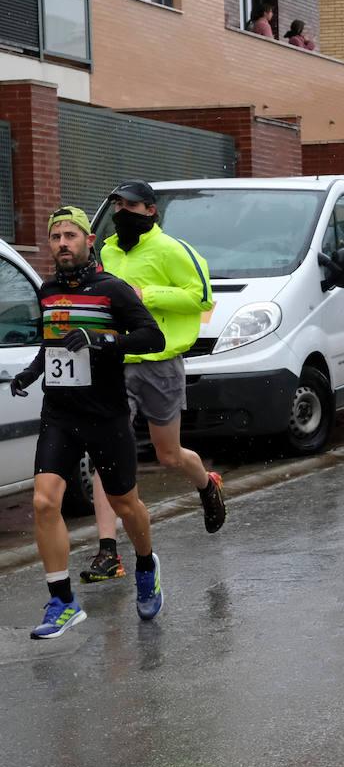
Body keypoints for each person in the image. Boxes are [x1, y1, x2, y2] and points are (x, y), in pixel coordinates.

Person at [13, 207, 166, 638]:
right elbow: (53, 344)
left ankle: (144, 563)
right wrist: (31, 372)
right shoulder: (47, 291)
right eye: (55, 236)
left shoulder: (112, 290)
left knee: (125, 505)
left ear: (89, 241)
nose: (62, 243)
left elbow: (153, 336)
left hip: (106, 414)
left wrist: (101, 340)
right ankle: (62, 601)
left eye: (71, 235)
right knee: (44, 502)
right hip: (60, 414)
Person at [85, 181, 225, 583]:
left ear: (150, 210)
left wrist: (146, 294)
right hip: (114, 361)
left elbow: (200, 297)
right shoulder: (106, 251)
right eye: (118, 205)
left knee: (168, 456)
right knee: (107, 451)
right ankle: (108, 550)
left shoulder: (174, 250)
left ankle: (206, 483)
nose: (122, 211)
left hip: (160, 363)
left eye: (131, 205)